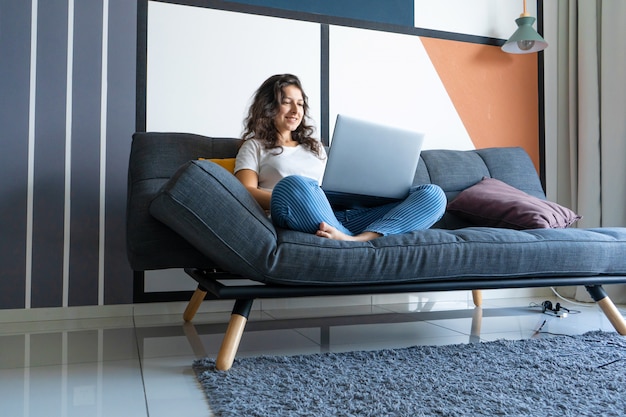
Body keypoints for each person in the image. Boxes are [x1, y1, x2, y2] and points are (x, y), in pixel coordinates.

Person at [234, 74, 446, 241]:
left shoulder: (314, 146)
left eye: (300, 104)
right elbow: (245, 191)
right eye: (287, 102)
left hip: (343, 215)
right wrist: (295, 196)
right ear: (269, 107)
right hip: (298, 212)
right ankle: (343, 235)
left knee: (433, 194)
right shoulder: (254, 146)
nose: (295, 110)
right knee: (294, 184)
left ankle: (358, 239)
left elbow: (332, 184)